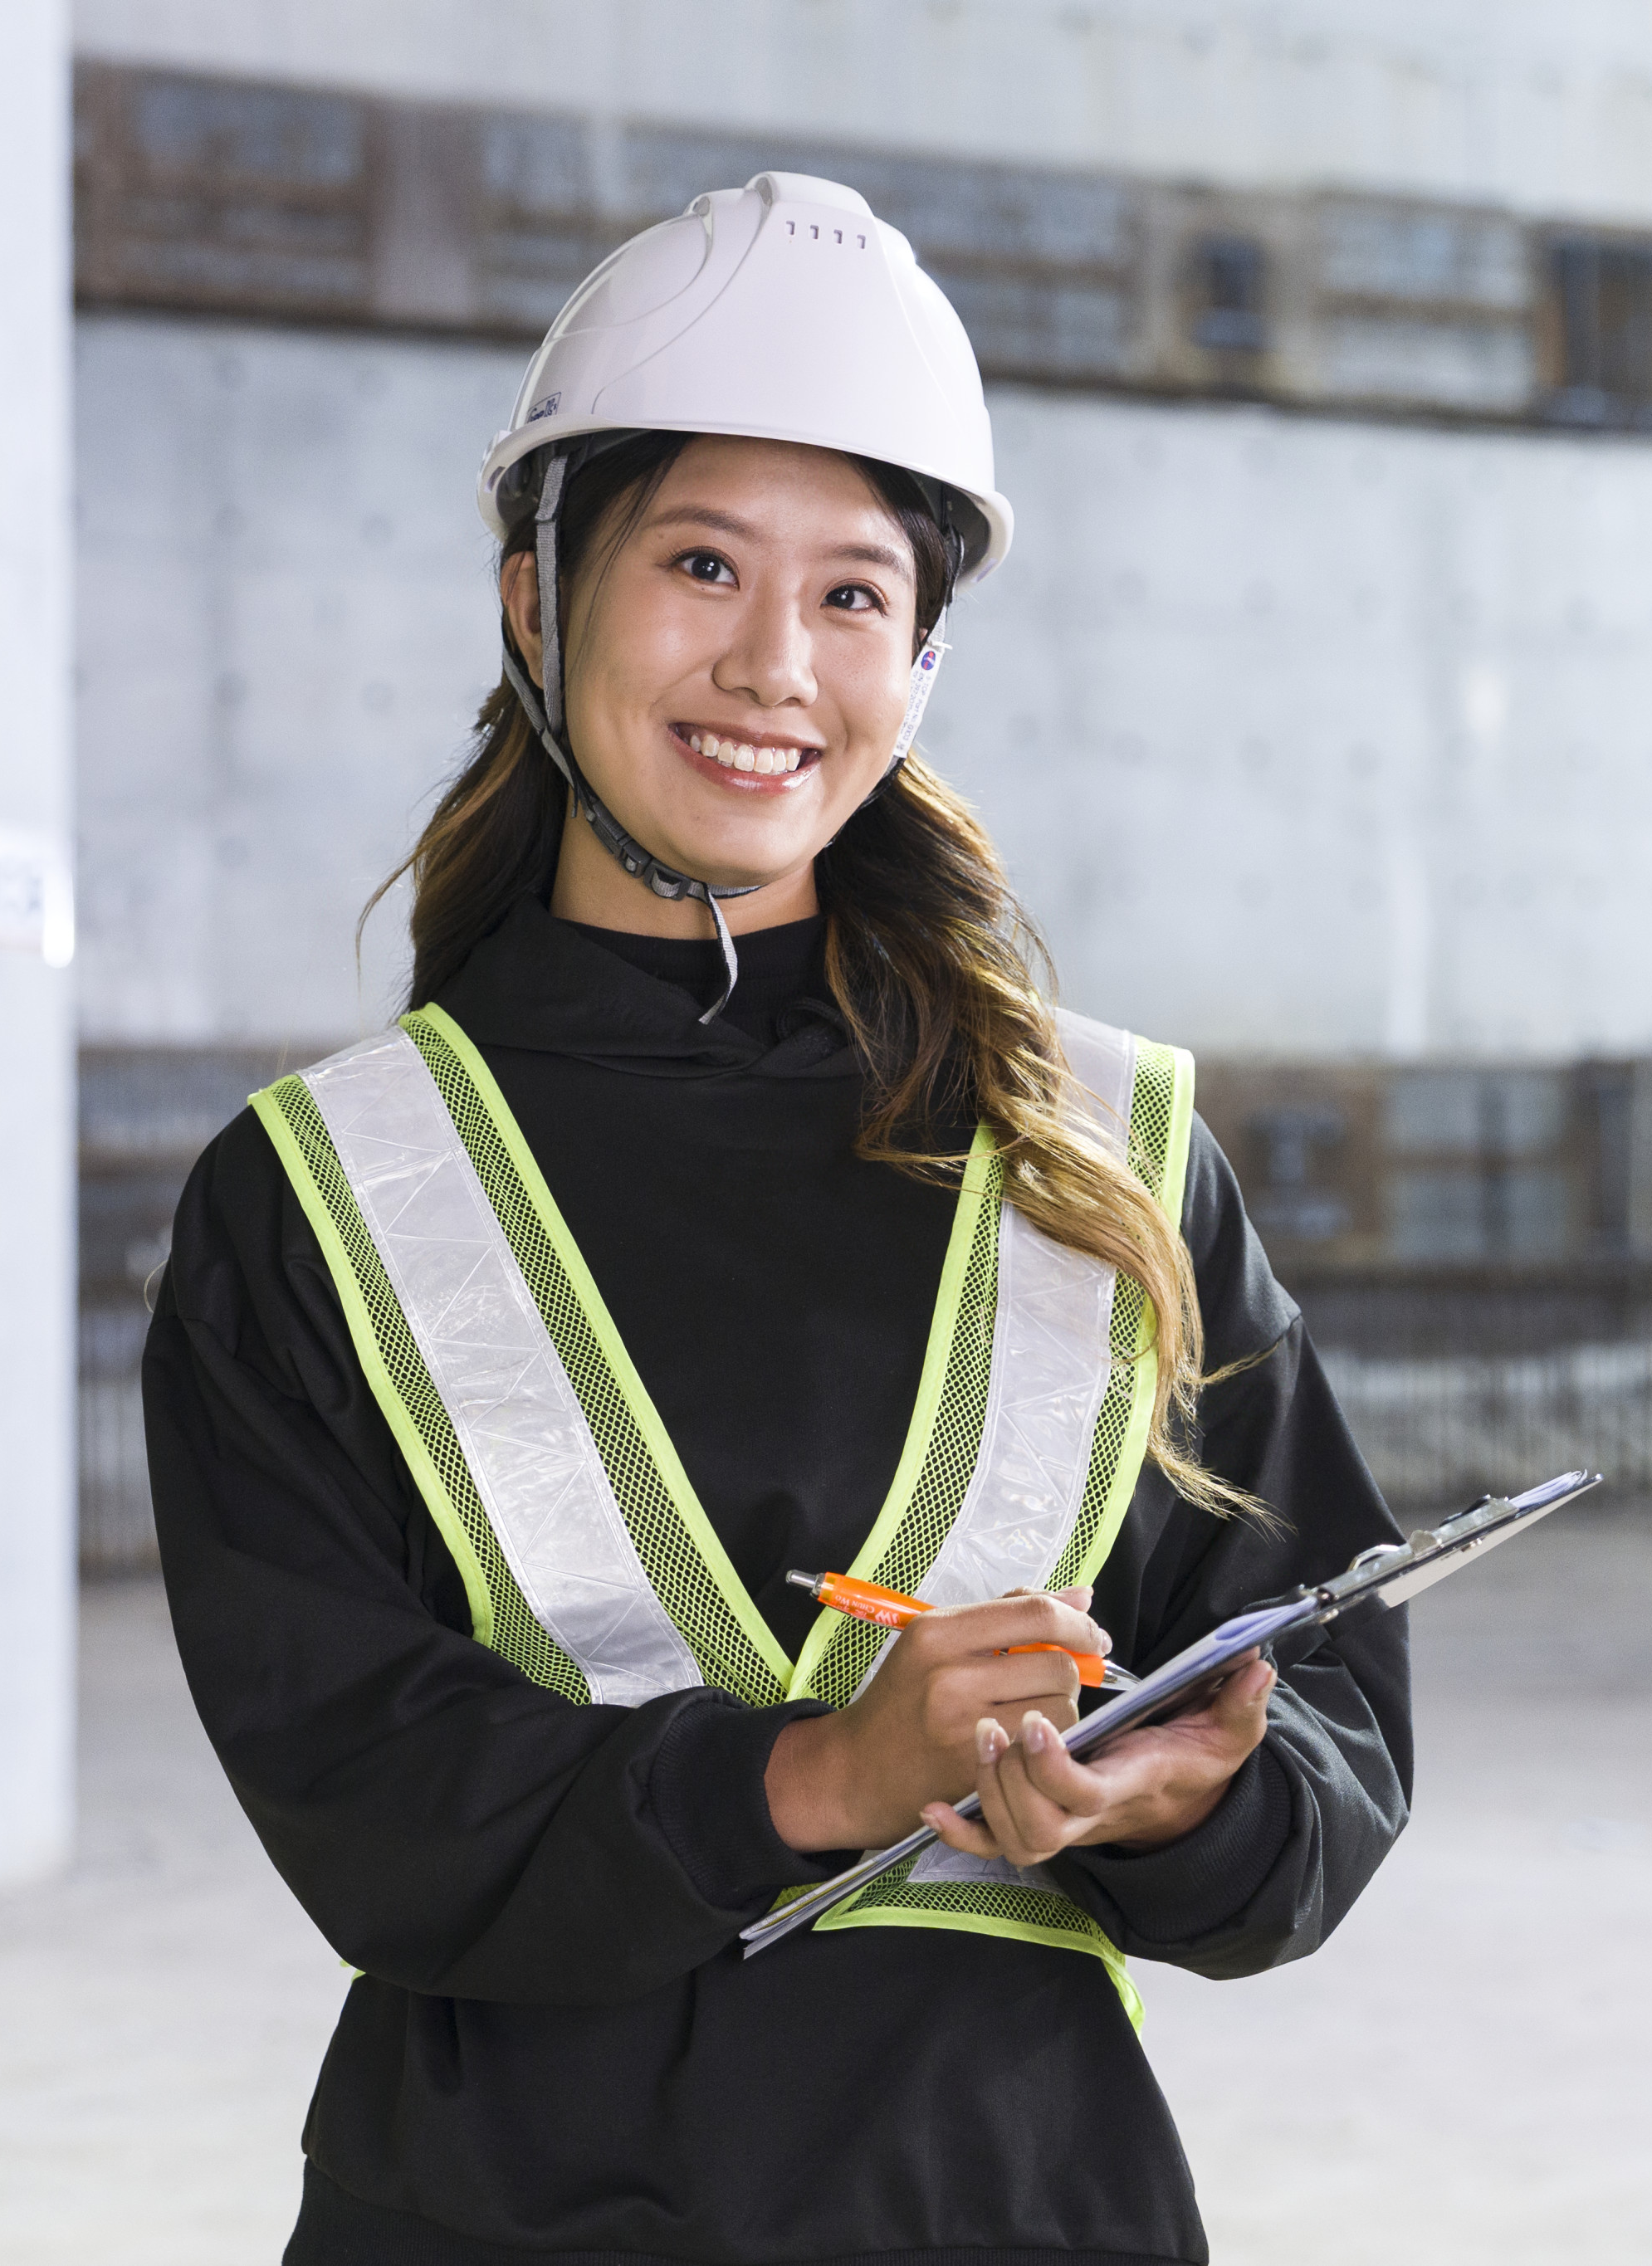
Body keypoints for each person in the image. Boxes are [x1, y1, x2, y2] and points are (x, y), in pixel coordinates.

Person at [145, 171, 1411, 2266]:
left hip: (1009, 2199)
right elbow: (363, 1793)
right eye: (702, 563)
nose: (770, 664)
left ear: (918, 658)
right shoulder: (322, 1195)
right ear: (534, 600)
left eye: (848, 595)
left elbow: (1331, 1714)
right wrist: (823, 1776)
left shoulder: (1103, 1156)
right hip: (505, 2211)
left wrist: (1184, 1798)